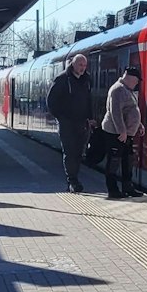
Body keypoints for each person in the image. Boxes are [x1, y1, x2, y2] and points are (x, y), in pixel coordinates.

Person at [44, 53, 95, 193]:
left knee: (79, 152)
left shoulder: (87, 79)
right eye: (80, 65)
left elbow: (89, 100)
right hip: (67, 123)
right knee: (69, 152)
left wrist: (90, 118)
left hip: (82, 123)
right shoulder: (62, 79)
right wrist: (60, 117)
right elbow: (51, 100)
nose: (82, 68)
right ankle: (72, 181)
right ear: (73, 64)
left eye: (84, 65)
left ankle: (74, 178)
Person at [101, 66, 145, 199]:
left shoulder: (128, 90)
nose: (137, 83)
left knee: (127, 160)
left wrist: (138, 125)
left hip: (126, 134)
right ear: (130, 78)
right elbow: (116, 113)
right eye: (137, 80)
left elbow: (131, 109)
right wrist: (122, 131)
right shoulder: (118, 90)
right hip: (116, 133)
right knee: (114, 161)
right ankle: (113, 190)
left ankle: (128, 187)